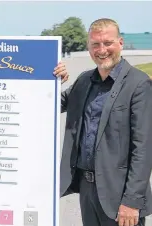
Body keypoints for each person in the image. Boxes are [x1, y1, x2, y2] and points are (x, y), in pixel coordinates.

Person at [54, 18, 152, 226]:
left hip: (120, 196)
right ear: (89, 46)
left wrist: (132, 202)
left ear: (120, 43)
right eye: (95, 44)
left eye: (107, 43)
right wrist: (52, 80)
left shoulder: (139, 83)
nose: (102, 50)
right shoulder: (83, 80)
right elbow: (52, 105)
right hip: (88, 191)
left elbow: (142, 149)